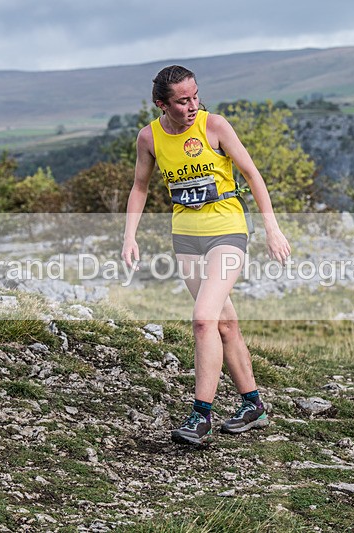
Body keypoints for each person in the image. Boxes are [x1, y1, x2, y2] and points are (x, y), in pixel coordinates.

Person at [122, 65, 291, 445]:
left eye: (196, 95)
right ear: (161, 104)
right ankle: (254, 406)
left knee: (203, 319)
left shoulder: (215, 126)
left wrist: (272, 227)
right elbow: (139, 187)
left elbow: (252, 174)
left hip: (227, 231)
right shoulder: (148, 137)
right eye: (183, 101)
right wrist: (129, 237)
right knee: (224, 324)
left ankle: (201, 416)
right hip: (186, 238)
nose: (193, 105)